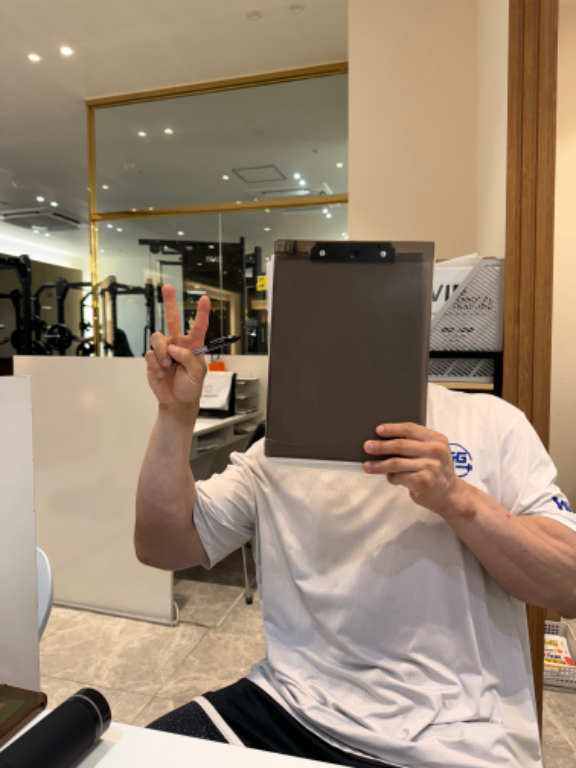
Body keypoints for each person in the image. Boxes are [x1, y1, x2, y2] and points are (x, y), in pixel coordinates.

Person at [135, 285, 576, 768]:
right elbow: (163, 546)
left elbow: (569, 585)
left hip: (458, 740)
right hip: (290, 706)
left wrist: (457, 499)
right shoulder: (280, 448)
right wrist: (175, 413)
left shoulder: (492, 422)